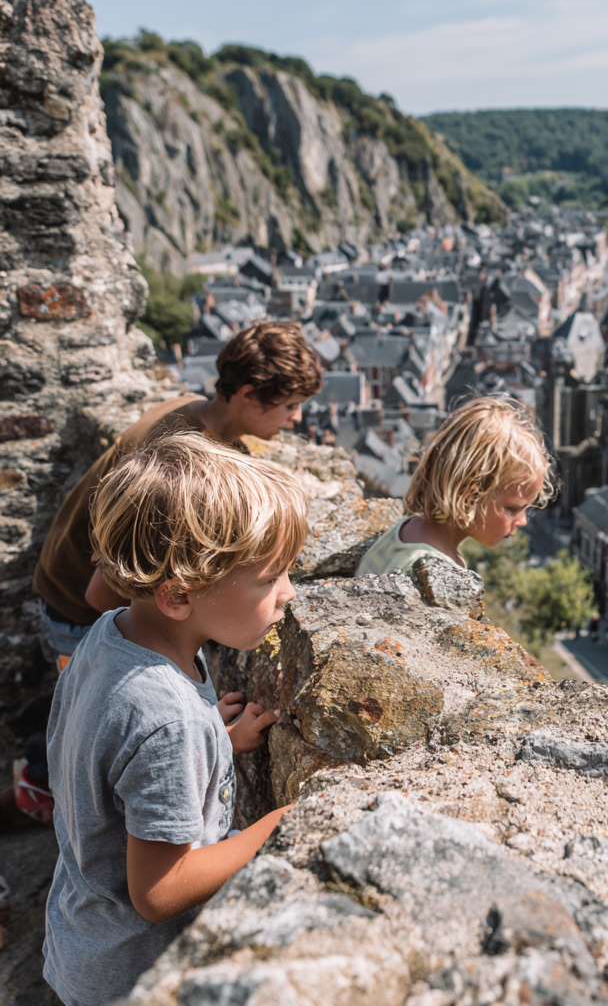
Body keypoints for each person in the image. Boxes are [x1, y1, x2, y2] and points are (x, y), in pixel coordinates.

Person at [2, 323, 322, 832]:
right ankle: (35, 788)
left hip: (89, 590)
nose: (297, 417)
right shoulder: (176, 448)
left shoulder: (198, 421)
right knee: (94, 714)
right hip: (75, 601)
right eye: (289, 406)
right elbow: (105, 592)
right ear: (247, 396)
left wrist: (205, 732)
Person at [43, 432, 308, 1006]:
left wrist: (215, 740)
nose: (289, 593)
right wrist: (282, 821)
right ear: (179, 596)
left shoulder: (110, 634)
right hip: (133, 973)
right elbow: (160, 892)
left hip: (82, 935)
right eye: (270, 578)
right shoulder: (166, 721)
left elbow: (109, 753)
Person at [357, 396, 553, 577]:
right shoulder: (429, 574)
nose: (522, 521)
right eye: (512, 509)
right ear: (469, 496)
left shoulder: (405, 530)